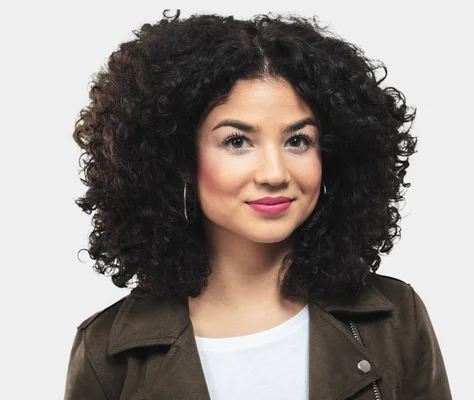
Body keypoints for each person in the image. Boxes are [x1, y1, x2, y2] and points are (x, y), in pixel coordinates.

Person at [64, 9, 452, 400]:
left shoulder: (395, 319)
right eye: (237, 141)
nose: (274, 172)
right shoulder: (110, 351)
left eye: (297, 140)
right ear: (179, 161)